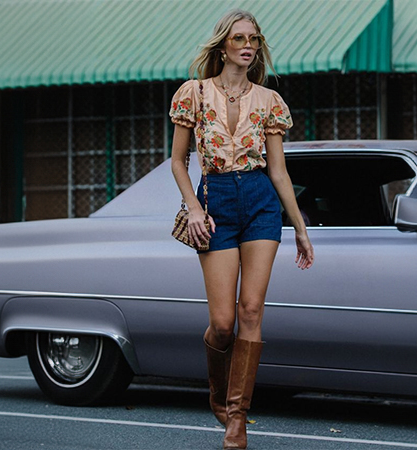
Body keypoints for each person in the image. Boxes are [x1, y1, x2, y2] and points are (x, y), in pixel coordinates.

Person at [170, 9, 314, 450]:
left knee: (252, 310)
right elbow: (178, 161)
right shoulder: (192, 93)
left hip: (259, 203)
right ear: (223, 45)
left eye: (253, 39)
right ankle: (218, 390)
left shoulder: (270, 100)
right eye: (239, 38)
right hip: (214, 202)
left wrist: (300, 229)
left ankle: (237, 417)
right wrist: (193, 208)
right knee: (224, 322)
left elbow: (279, 172)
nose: (248, 45)